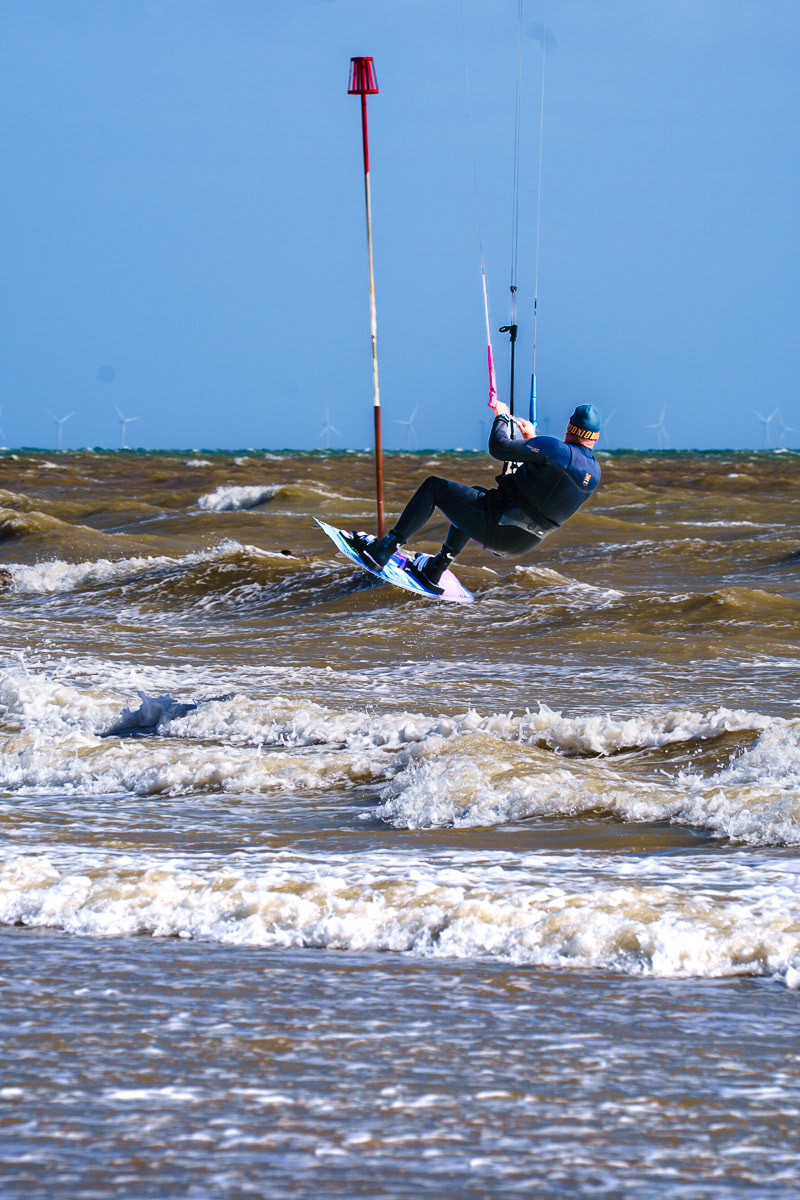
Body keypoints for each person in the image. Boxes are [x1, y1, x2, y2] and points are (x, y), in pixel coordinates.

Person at [346, 402, 602, 594]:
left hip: (499, 526)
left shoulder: (556, 449)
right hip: (523, 543)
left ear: (569, 428)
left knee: (434, 487)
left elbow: (499, 447)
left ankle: (383, 550)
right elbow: (550, 485)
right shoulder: (594, 473)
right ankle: (436, 568)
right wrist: (533, 441)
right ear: (596, 437)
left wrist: (501, 416)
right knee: (476, 494)